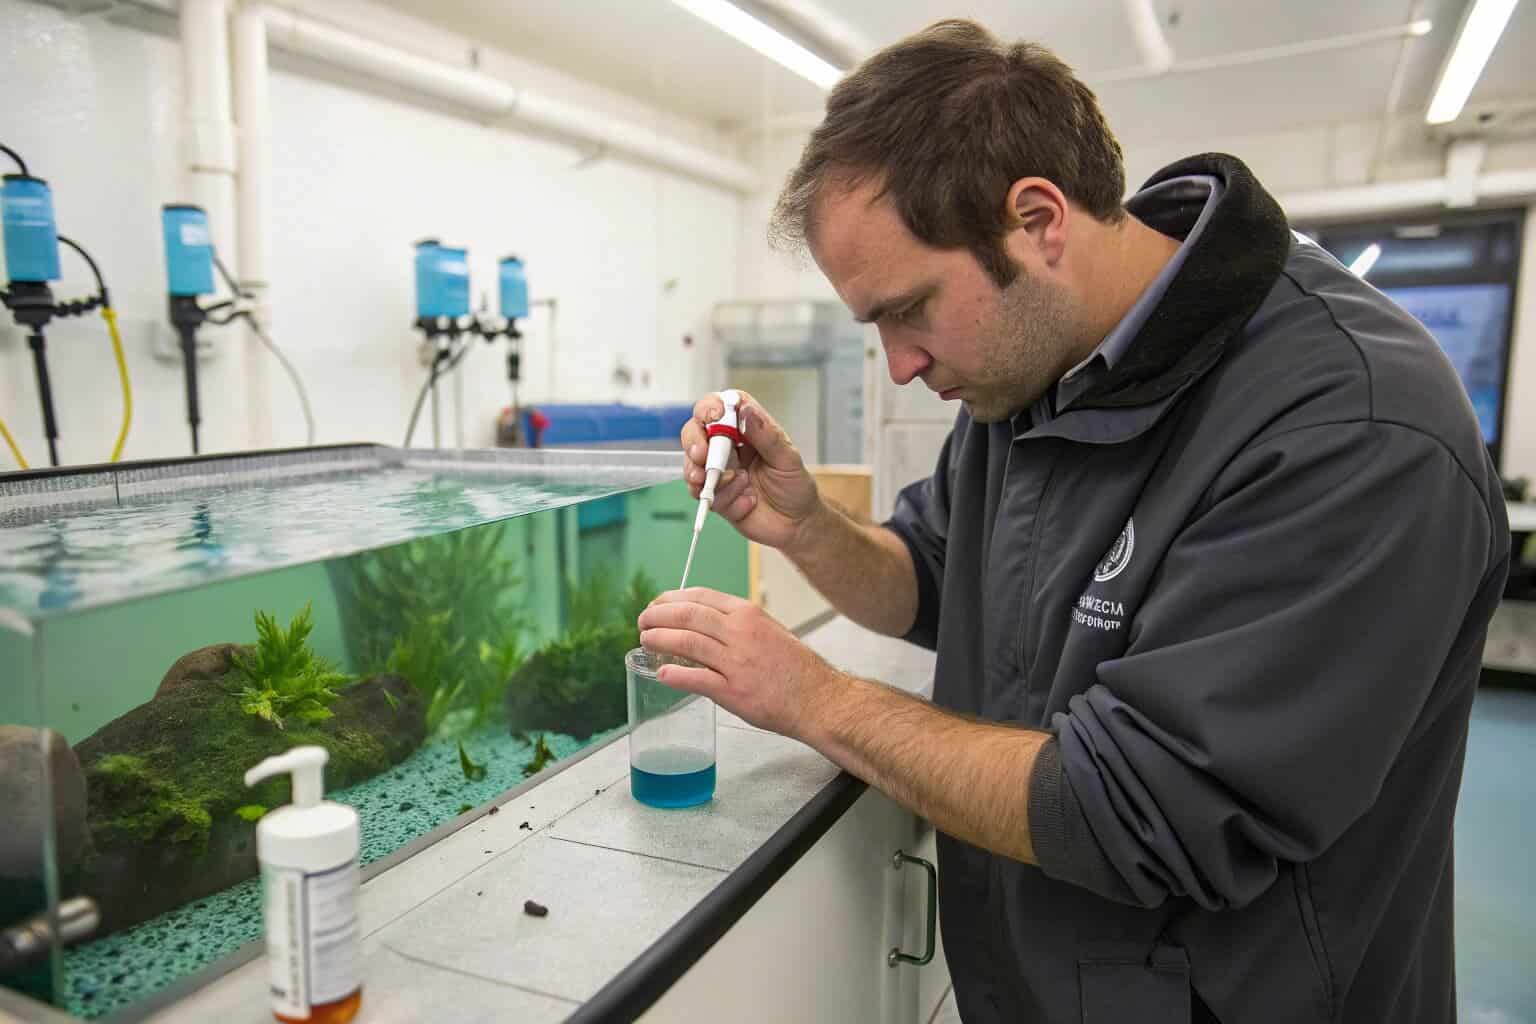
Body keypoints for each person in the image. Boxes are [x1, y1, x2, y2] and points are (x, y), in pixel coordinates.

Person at [636, 19, 1509, 1024]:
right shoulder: (1029, 373)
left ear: (1040, 221)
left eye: (908, 309)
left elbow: (1141, 810)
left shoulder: (1352, 422)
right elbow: (928, 573)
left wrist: (812, 697)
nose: (901, 365)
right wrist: (805, 525)